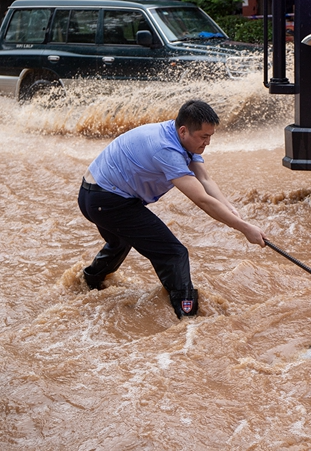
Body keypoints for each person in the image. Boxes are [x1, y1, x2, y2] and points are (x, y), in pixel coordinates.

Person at [78, 99, 265, 318]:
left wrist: (230, 209)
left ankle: (89, 283)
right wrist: (244, 229)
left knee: (121, 239)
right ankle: (188, 318)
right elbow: (202, 200)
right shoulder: (166, 150)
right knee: (174, 253)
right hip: (105, 200)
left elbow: (204, 178)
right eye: (204, 137)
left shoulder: (177, 135)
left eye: (210, 137)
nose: (207, 143)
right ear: (184, 130)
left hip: (94, 195)